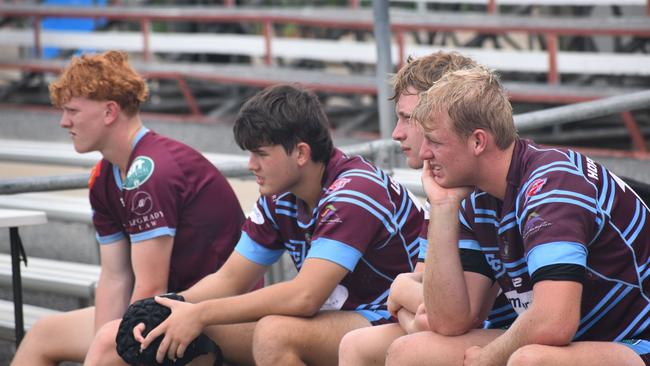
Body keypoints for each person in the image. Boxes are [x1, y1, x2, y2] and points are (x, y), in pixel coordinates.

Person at [83, 84, 426, 366]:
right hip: (342, 317)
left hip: (395, 319)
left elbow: (304, 296)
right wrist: (170, 305)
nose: (251, 165)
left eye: (260, 154)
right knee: (165, 332)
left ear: (301, 153)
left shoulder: (354, 190)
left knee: (274, 333)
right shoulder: (281, 194)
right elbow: (229, 279)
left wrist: (200, 313)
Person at [384, 66, 650, 366]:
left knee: (529, 361)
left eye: (435, 141)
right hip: (580, 339)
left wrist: (488, 359)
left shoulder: (551, 184)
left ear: (477, 142)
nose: (425, 152)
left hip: (635, 339)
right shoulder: (476, 195)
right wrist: (443, 207)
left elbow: (554, 321)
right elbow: (449, 322)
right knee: (411, 352)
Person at [11, 50, 245, 366]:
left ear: (109, 112)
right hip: (166, 309)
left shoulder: (150, 169)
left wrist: (110, 346)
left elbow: (151, 287)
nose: (64, 121)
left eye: (72, 111)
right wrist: (102, 341)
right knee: (44, 333)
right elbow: (115, 275)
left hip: (214, 317)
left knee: (110, 344)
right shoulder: (104, 175)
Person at [339, 52, 515, 366]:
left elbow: (435, 318)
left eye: (408, 118)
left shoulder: (485, 188)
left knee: (412, 349)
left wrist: (400, 288)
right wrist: (406, 293)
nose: (396, 133)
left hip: (512, 331)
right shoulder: (445, 192)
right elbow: (423, 301)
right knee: (355, 345)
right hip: (475, 330)